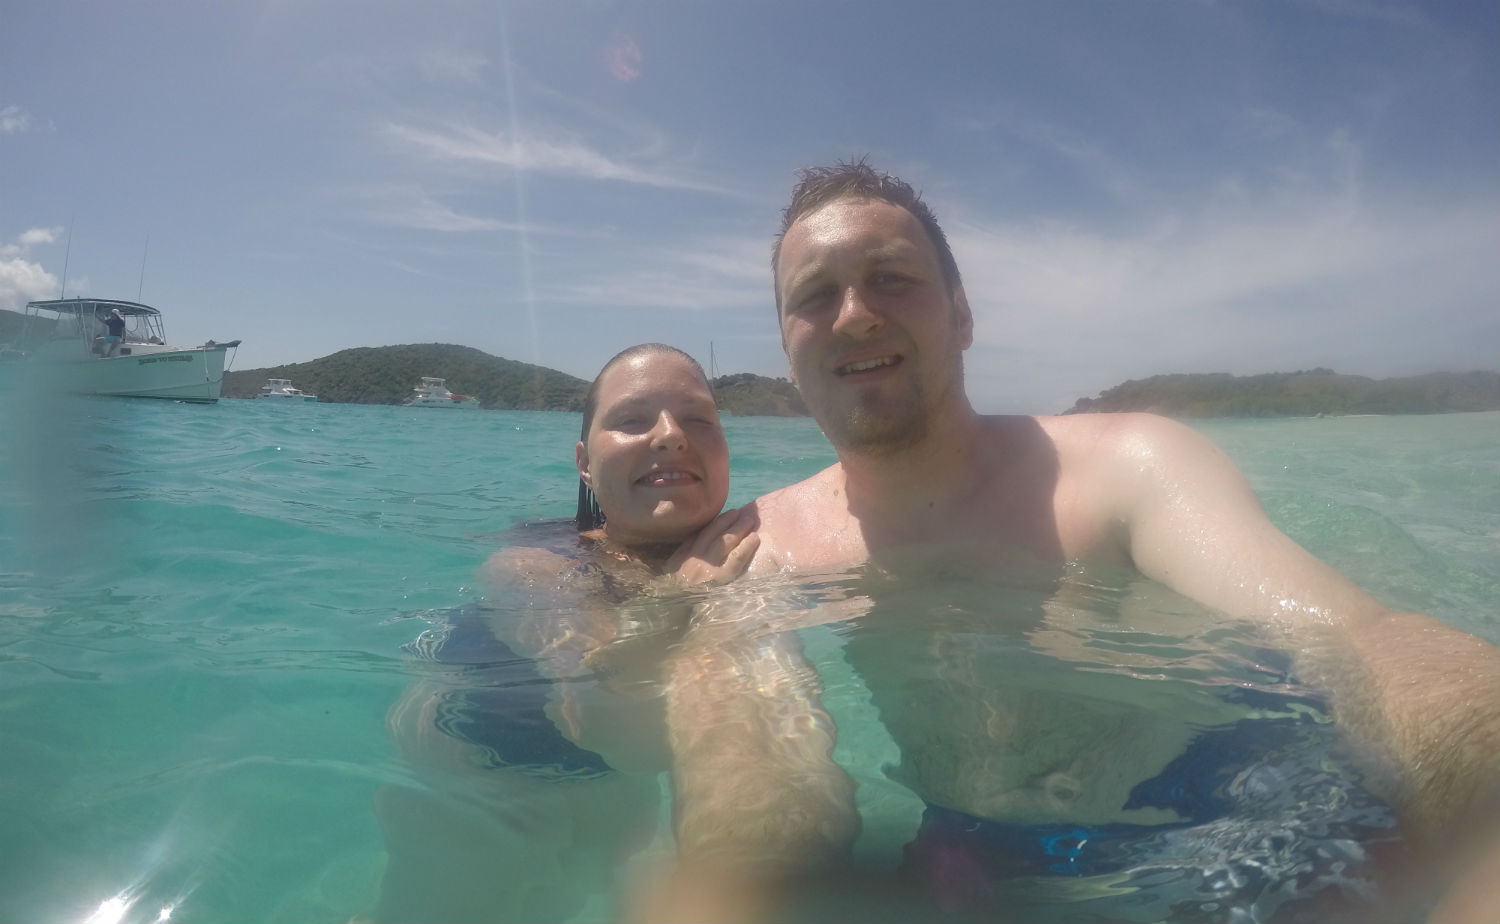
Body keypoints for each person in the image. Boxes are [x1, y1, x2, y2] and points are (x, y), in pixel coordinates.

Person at [640, 160, 1499, 922]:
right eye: (814, 297)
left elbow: (1353, 638)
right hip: (969, 854)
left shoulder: (1128, 467)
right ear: (788, 347)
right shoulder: (759, 547)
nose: (855, 315)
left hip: (1213, 812)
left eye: (892, 278)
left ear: (963, 315)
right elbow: (739, 782)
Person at [372, 343, 758, 923]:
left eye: (698, 418)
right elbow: (598, 715)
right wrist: (679, 600)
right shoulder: (536, 564)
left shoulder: (733, 555)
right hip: (475, 774)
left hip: (605, 784)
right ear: (584, 462)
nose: (671, 435)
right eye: (632, 419)